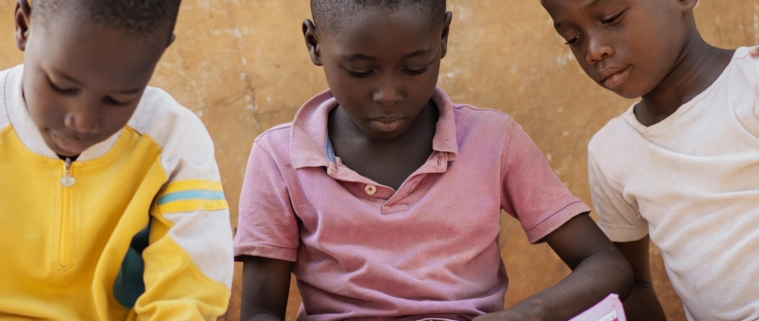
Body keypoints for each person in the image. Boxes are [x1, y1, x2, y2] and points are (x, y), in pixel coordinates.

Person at [234, 1, 633, 320]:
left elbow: (607, 265)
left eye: (414, 68)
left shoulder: (492, 140)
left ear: (442, 37)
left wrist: (530, 314)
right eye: (360, 71)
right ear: (315, 44)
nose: (388, 94)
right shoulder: (280, 158)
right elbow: (261, 311)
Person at [0, 0, 234, 319]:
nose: (83, 121)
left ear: (160, 51)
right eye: (62, 86)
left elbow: (186, 294)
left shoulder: (174, 143)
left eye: (118, 99)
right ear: (25, 24)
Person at [540, 0, 759, 319]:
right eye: (574, 38)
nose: (593, 50)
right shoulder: (612, 151)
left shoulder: (750, 82)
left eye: (610, 17)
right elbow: (634, 286)